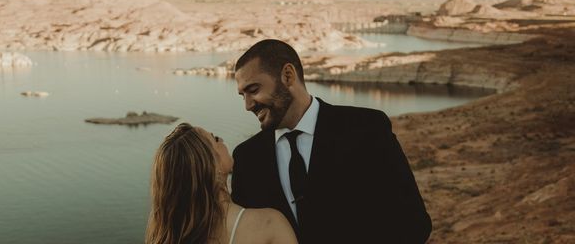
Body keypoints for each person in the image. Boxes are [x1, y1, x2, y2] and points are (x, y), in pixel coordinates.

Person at [231, 39, 432, 244]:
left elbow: (413, 223)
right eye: (242, 95)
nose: (247, 105)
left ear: (288, 75)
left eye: (253, 89)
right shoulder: (246, 157)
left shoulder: (367, 129)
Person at [145, 122, 298, 244]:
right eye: (216, 139)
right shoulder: (269, 226)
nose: (222, 141)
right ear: (211, 165)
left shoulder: (168, 236)